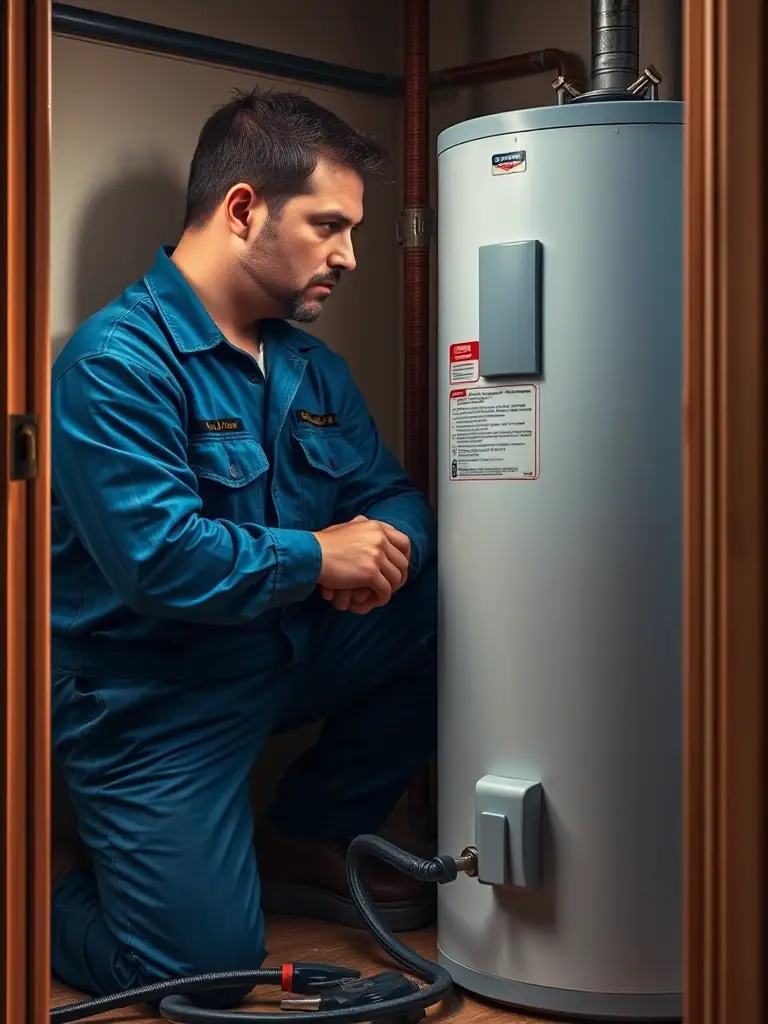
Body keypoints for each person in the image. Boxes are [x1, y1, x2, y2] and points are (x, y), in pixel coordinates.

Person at [50, 87, 437, 1008]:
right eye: (329, 226)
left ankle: (306, 830)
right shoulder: (116, 364)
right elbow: (159, 558)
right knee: (204, 978)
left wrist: (388, 550)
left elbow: (389, 496)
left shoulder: (309, 367)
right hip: (155, 702)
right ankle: (47, 882)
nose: (348, 256)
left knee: (450, 594)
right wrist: (320, 557)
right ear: (241, 210)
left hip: (281, 655)